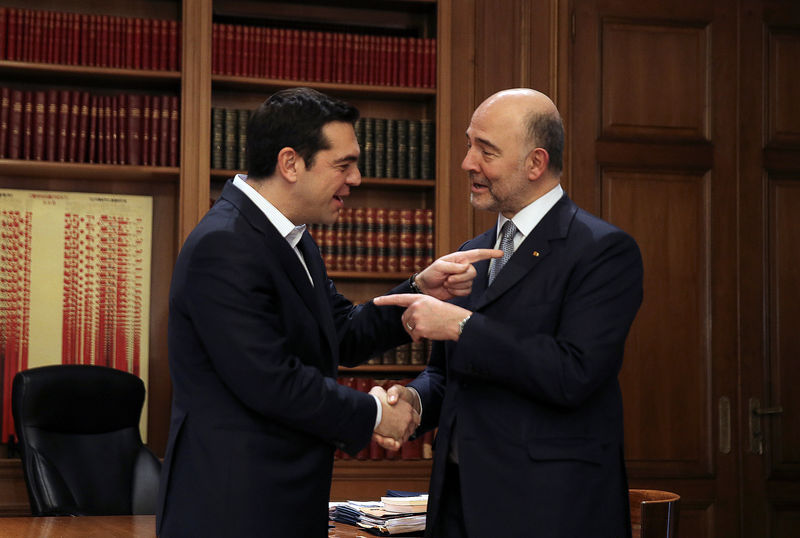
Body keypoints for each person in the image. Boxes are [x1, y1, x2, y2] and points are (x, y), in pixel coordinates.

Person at [155, 87, 501, 537]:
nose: (355, 178)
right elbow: (270, 381)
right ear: (290, 164)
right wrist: (377, 414)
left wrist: (417, 291)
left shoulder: (288, 237)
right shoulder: (225, 245)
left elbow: (340, 330)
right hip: (232, 507)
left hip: (279, 501)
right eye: (344, 164)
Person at [374, 88, 644, 538]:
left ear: (536, 164)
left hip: (549, 509)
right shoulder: (471, 252)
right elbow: (449, 373)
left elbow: (574, 373)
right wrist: (415, 401)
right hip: (459, 503)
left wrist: (462, 325)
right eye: (469, 144)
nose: (467, 163)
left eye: (486, 151)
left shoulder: (603, 251)